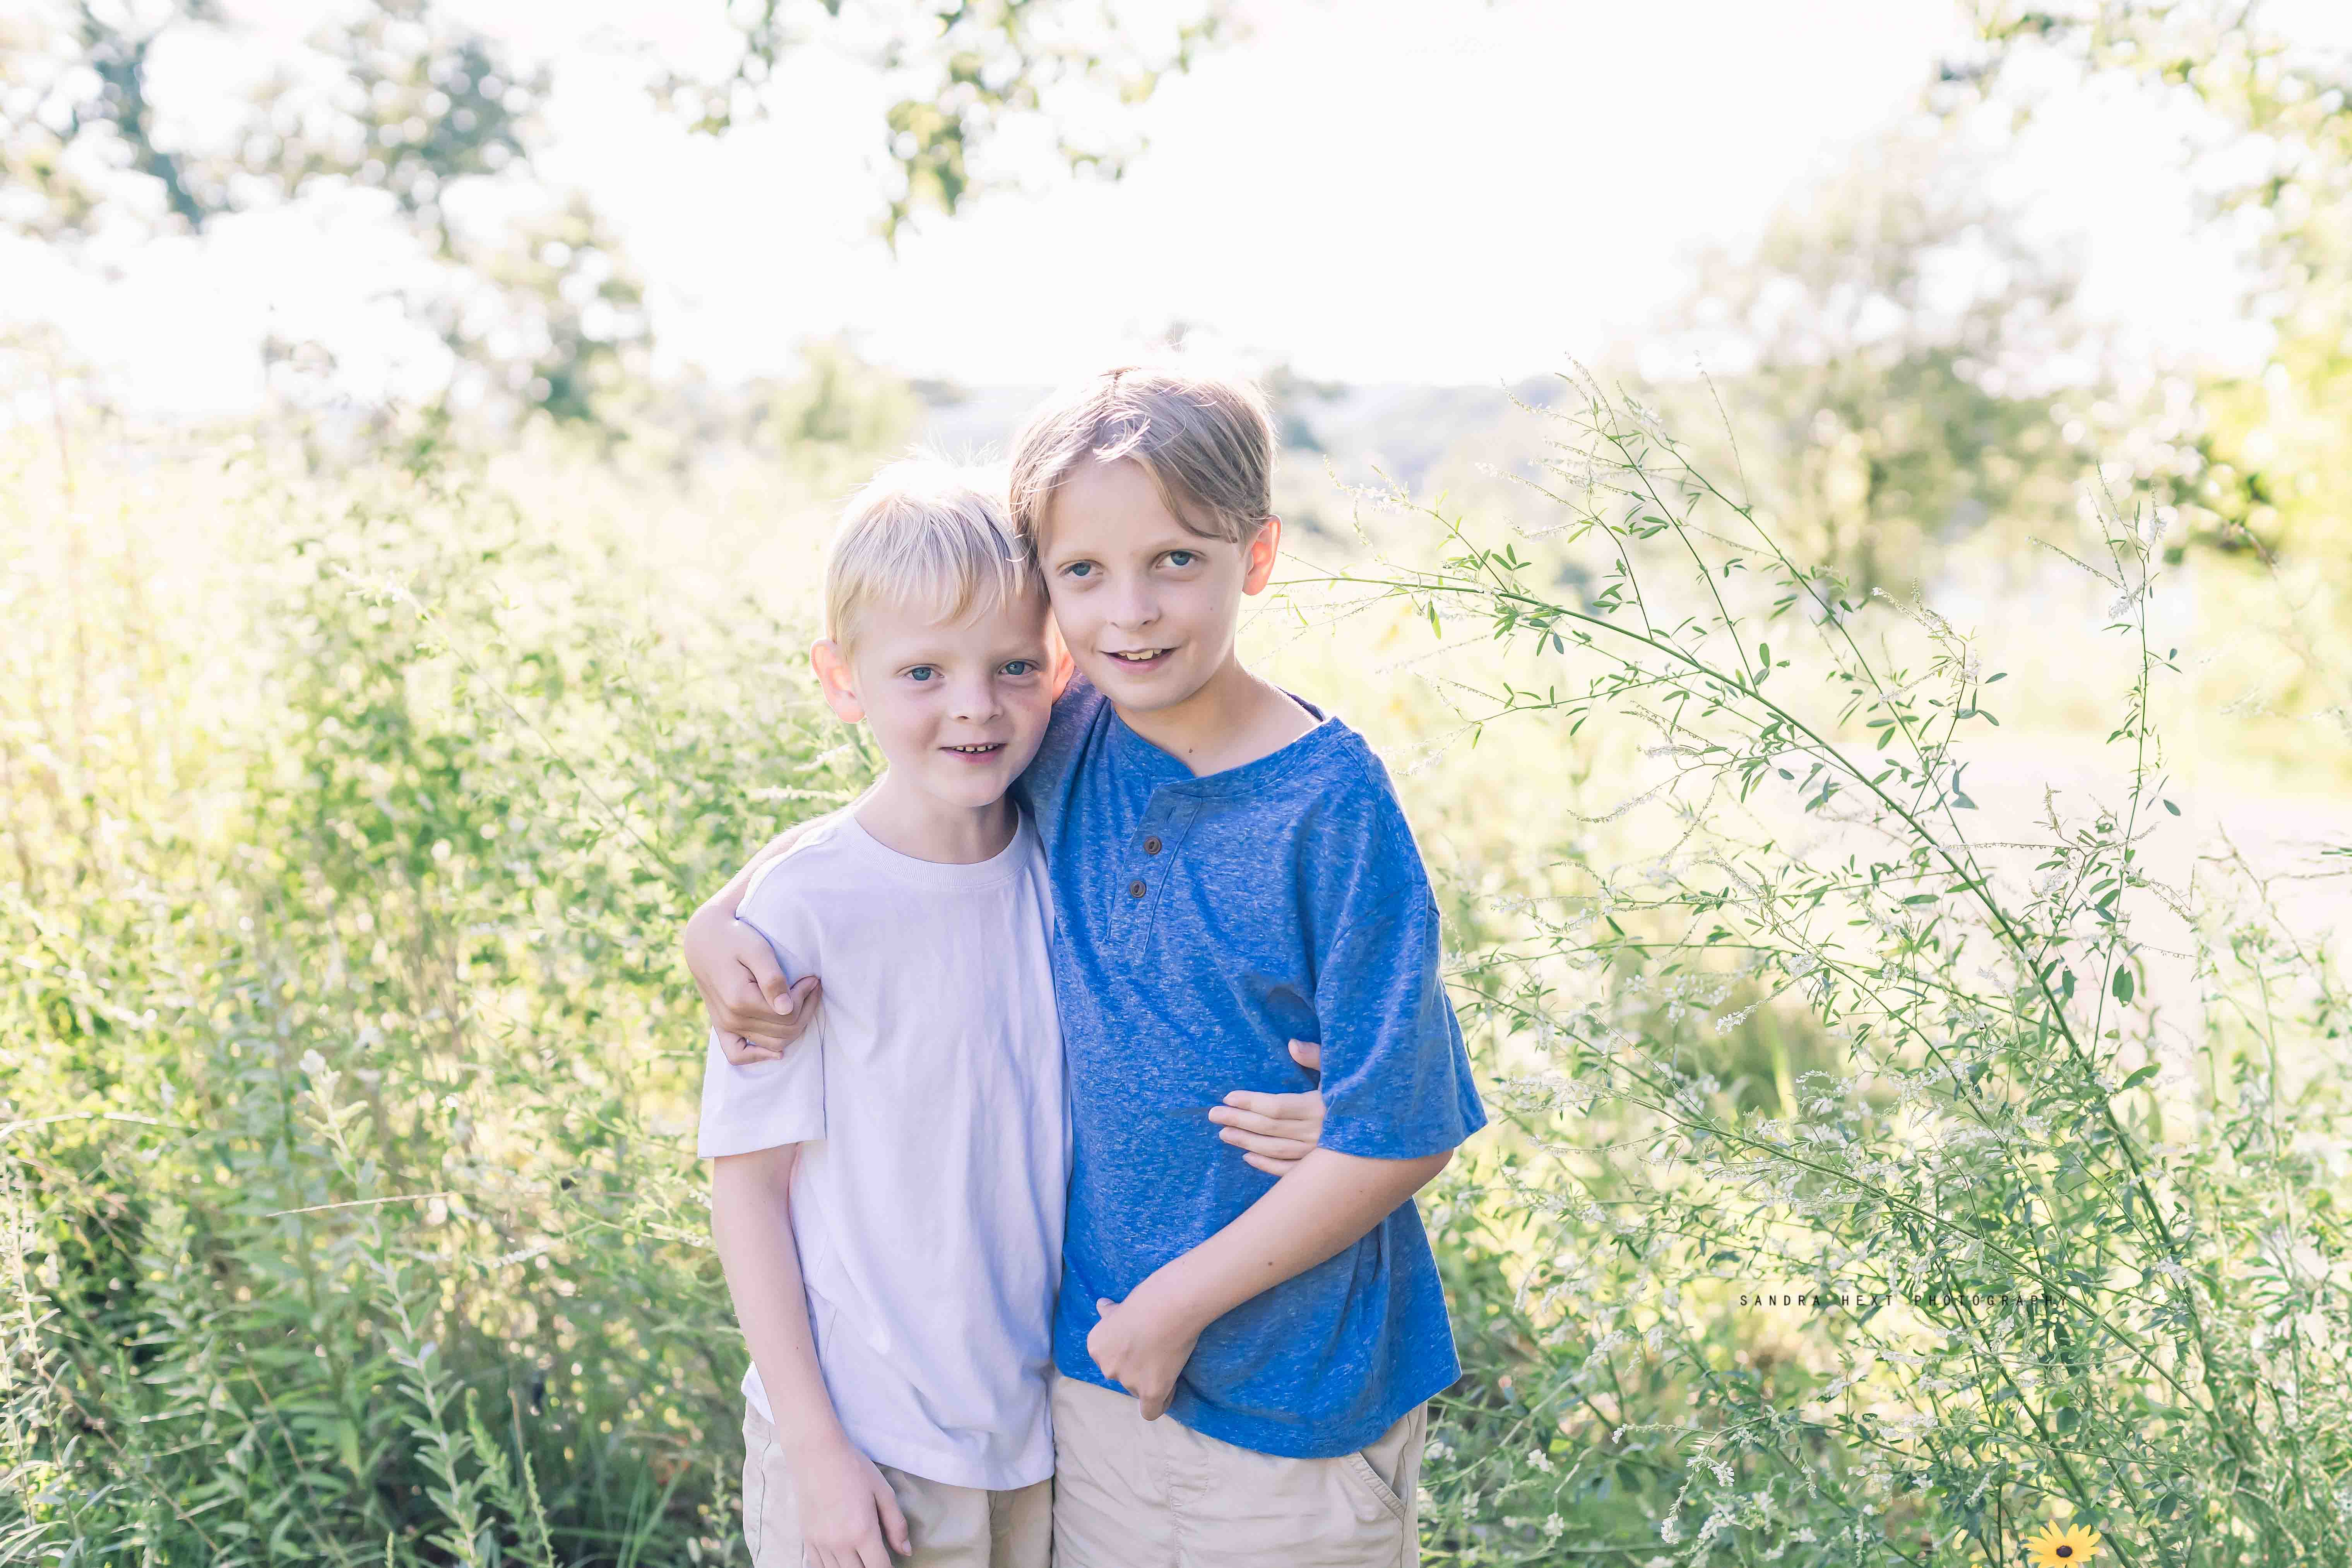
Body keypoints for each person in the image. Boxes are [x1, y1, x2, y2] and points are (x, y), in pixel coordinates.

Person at [691, 367, 1487, 1567]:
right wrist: (717, 921)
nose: (1132, 612)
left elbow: (1407, 1121)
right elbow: (897, 816)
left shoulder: (1327, 804)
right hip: (1089, 1394)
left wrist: (1198, 1286)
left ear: (1256, 557)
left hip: (1290, 1395)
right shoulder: (1066, 734)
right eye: (1083, 575)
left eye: (1176, 559)